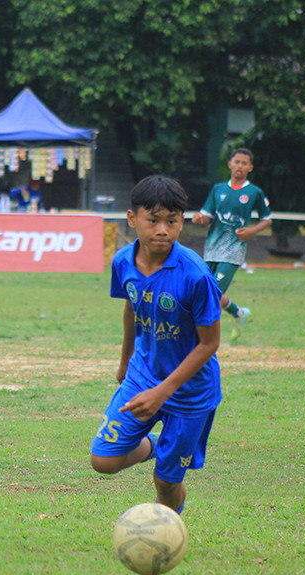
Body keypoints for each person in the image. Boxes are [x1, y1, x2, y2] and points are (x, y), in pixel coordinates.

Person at [90, 175, 222, 514]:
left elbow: (209, 344)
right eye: (153, 220)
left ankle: (166, 529)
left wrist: (163, 392)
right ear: (132, 219)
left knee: (165, 482)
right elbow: (131, 309)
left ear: (181, 222)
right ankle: (152, 445)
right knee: (103, 460)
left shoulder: (195, 274)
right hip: (142, 376)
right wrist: (125, 362)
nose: (162, 229)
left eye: (172, 221)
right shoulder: (122, 261)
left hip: (190, 393)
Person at [192, 148, 272, 339]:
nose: (240, 166)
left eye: (245, 163)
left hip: (233, 250)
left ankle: (203, 339)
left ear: (250, 168)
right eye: (237, 162)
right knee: (204, 289)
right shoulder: (218, 190)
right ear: (230, 164)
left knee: (212, 294)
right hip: (212, 248)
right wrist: (199, 219)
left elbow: (267, 218)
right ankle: (239, 313)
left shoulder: (254, 192)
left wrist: (252, 231)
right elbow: (207, 216)